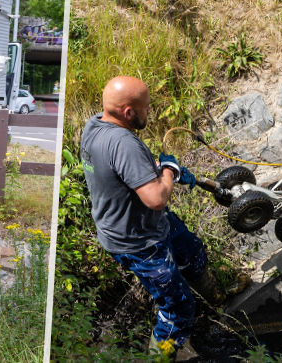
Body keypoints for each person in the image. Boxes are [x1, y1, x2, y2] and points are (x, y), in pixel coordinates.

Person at [80, 76, 225, 360]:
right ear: (128, 113)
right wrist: (168, 171)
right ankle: (161, 357)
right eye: (146, 107)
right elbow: (156, 198)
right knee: (178, 309)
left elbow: (120, 171)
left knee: (192, 252)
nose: (151, 112)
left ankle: (217, 298)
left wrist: (153, 168)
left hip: (147, 224)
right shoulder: (124, 143)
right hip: (139, 243)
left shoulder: (96, 124)